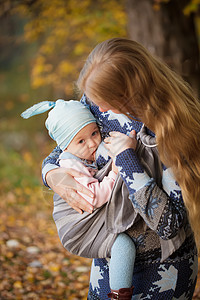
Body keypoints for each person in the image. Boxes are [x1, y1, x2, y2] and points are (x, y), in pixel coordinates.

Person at [42, 38, 199, 299]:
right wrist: (51, 174)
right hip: (111, 255)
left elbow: (169, 225)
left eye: (107, 100)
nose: (99, 109)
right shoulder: (98, 104)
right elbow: (68, 145)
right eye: (94, 100)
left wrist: (126, 159)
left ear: (132, 93)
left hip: (164, 270)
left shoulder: (175, 131)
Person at [21, 99, 138, 299]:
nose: (92, 143)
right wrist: (116, 172)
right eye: (81, 141)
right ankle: (120, 295)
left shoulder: (84, 155)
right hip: (76, 226)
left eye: (94, 133)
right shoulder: (71, 165)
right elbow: (95, 196)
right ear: (65, 146)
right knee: (122, 245)